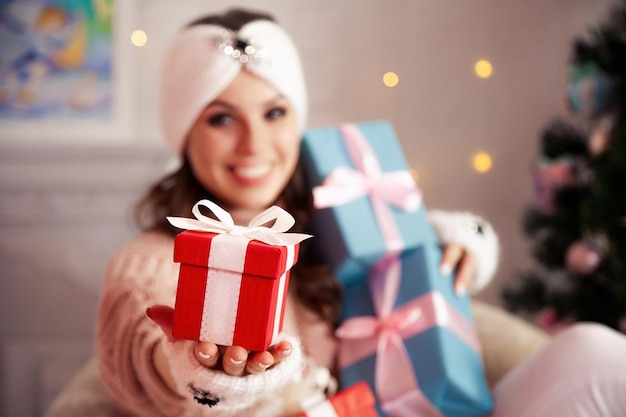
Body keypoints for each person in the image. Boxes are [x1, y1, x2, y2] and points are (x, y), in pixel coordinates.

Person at [46, 7, 626, 417]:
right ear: (184, 134)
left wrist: (454, 245)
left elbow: (427, 236)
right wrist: (199, 371)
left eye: (274, 114)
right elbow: (139, 346)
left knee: (596, 354)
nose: (253, 145)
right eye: (221, 118)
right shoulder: (152, 260)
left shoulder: (330, 215)